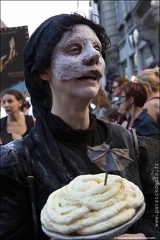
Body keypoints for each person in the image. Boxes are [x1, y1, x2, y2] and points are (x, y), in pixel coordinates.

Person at [0, 13, 159, 240]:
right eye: (74, 49)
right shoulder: (15, 162)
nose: (94, 55)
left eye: (97, 48)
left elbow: (156, 208)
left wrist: (143, 236)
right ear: (44, 70)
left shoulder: (129, 142)